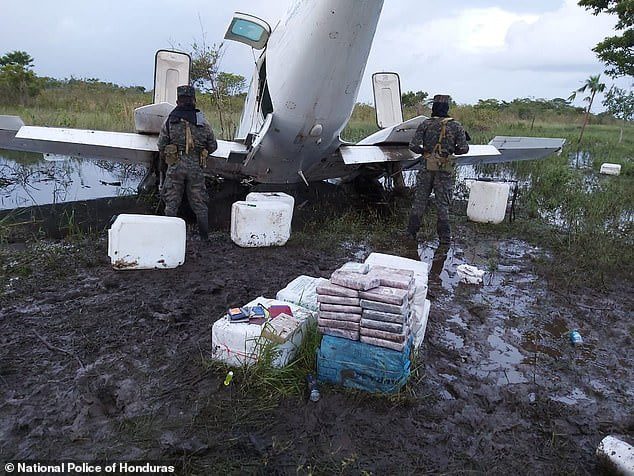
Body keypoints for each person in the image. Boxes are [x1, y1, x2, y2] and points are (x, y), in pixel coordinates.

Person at [157, 85, 217, 240]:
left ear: (177, 101)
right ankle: (204, 238)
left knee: (171, 203)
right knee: (200, 203)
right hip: (196, 167)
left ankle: (168, 238)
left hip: (175, 166)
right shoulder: (202, 121)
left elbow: (161, 145)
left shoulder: (171, 120)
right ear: (194, 100)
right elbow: (213, 146)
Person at [406, 94, 469, 245]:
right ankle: (445, 240)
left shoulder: (425, 124)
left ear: (433, 108)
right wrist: (450, 151)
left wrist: (426, 153)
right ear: (447, 108)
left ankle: (411, 234)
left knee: (420, 202)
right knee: (443, 205)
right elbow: (464, 149)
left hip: (426, 167)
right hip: (444, 170)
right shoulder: (456, 126)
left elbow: (413, 146)